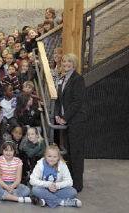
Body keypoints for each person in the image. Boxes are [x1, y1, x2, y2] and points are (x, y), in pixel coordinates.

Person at [54, 53, 86, 192]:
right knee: (69, 153)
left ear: (74, 63)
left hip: (76, 121)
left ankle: (77, 185)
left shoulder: (78, 79)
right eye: (64, 61)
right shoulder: (63, 79)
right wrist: (57, 115)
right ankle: (70, 180)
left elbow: (77, 102)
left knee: (76, 153)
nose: (66, 63)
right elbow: (58, 100)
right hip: (65, 121)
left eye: (69, 61)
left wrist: (65, 117)